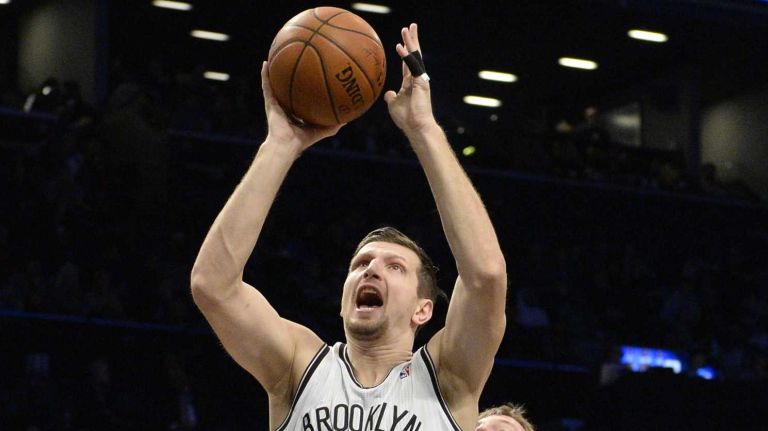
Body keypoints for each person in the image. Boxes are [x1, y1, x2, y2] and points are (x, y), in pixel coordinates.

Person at [191, 23, 507, 430]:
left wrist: (423, 130)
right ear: (342, 299)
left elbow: (485, 275)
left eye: (394, 267)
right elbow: (212, 285)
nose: (370, 269)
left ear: (423, 309)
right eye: (360, 264)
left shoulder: (449, 378)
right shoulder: (298, 366)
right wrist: (280, 146)